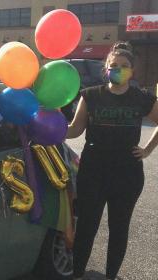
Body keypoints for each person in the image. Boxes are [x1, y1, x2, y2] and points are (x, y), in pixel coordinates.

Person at [66, 41, 158, 280]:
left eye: (124, 66)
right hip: (93, 171)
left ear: (132, 71)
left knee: (119, 229)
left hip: (127, 174)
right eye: (113, 65)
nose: (118, 69)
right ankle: (77, 275)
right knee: (86, 227)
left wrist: (147, 150)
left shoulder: (141, 98)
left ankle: (111, 277)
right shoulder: (91, 96)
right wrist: (50, 126)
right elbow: (75, 130)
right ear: (105, 68)